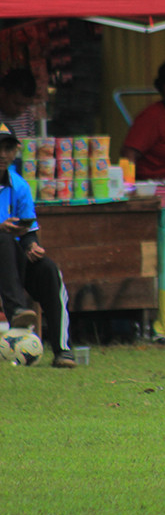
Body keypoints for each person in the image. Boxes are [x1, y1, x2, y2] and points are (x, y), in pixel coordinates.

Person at [0, 123, 76, 368]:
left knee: (48, 269)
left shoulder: (19, 186)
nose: (2, 154)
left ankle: (63, 350)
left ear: (15, 152)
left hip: (11, 260)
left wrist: (32, 245)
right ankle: (16, 311)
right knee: (3, 239)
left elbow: (30, 231)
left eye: (8, 148)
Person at [0, 68, 39, 142]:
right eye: (17, 103)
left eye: (26, 105)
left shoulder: (27, 115)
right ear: (2, 93)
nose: (21, 110)